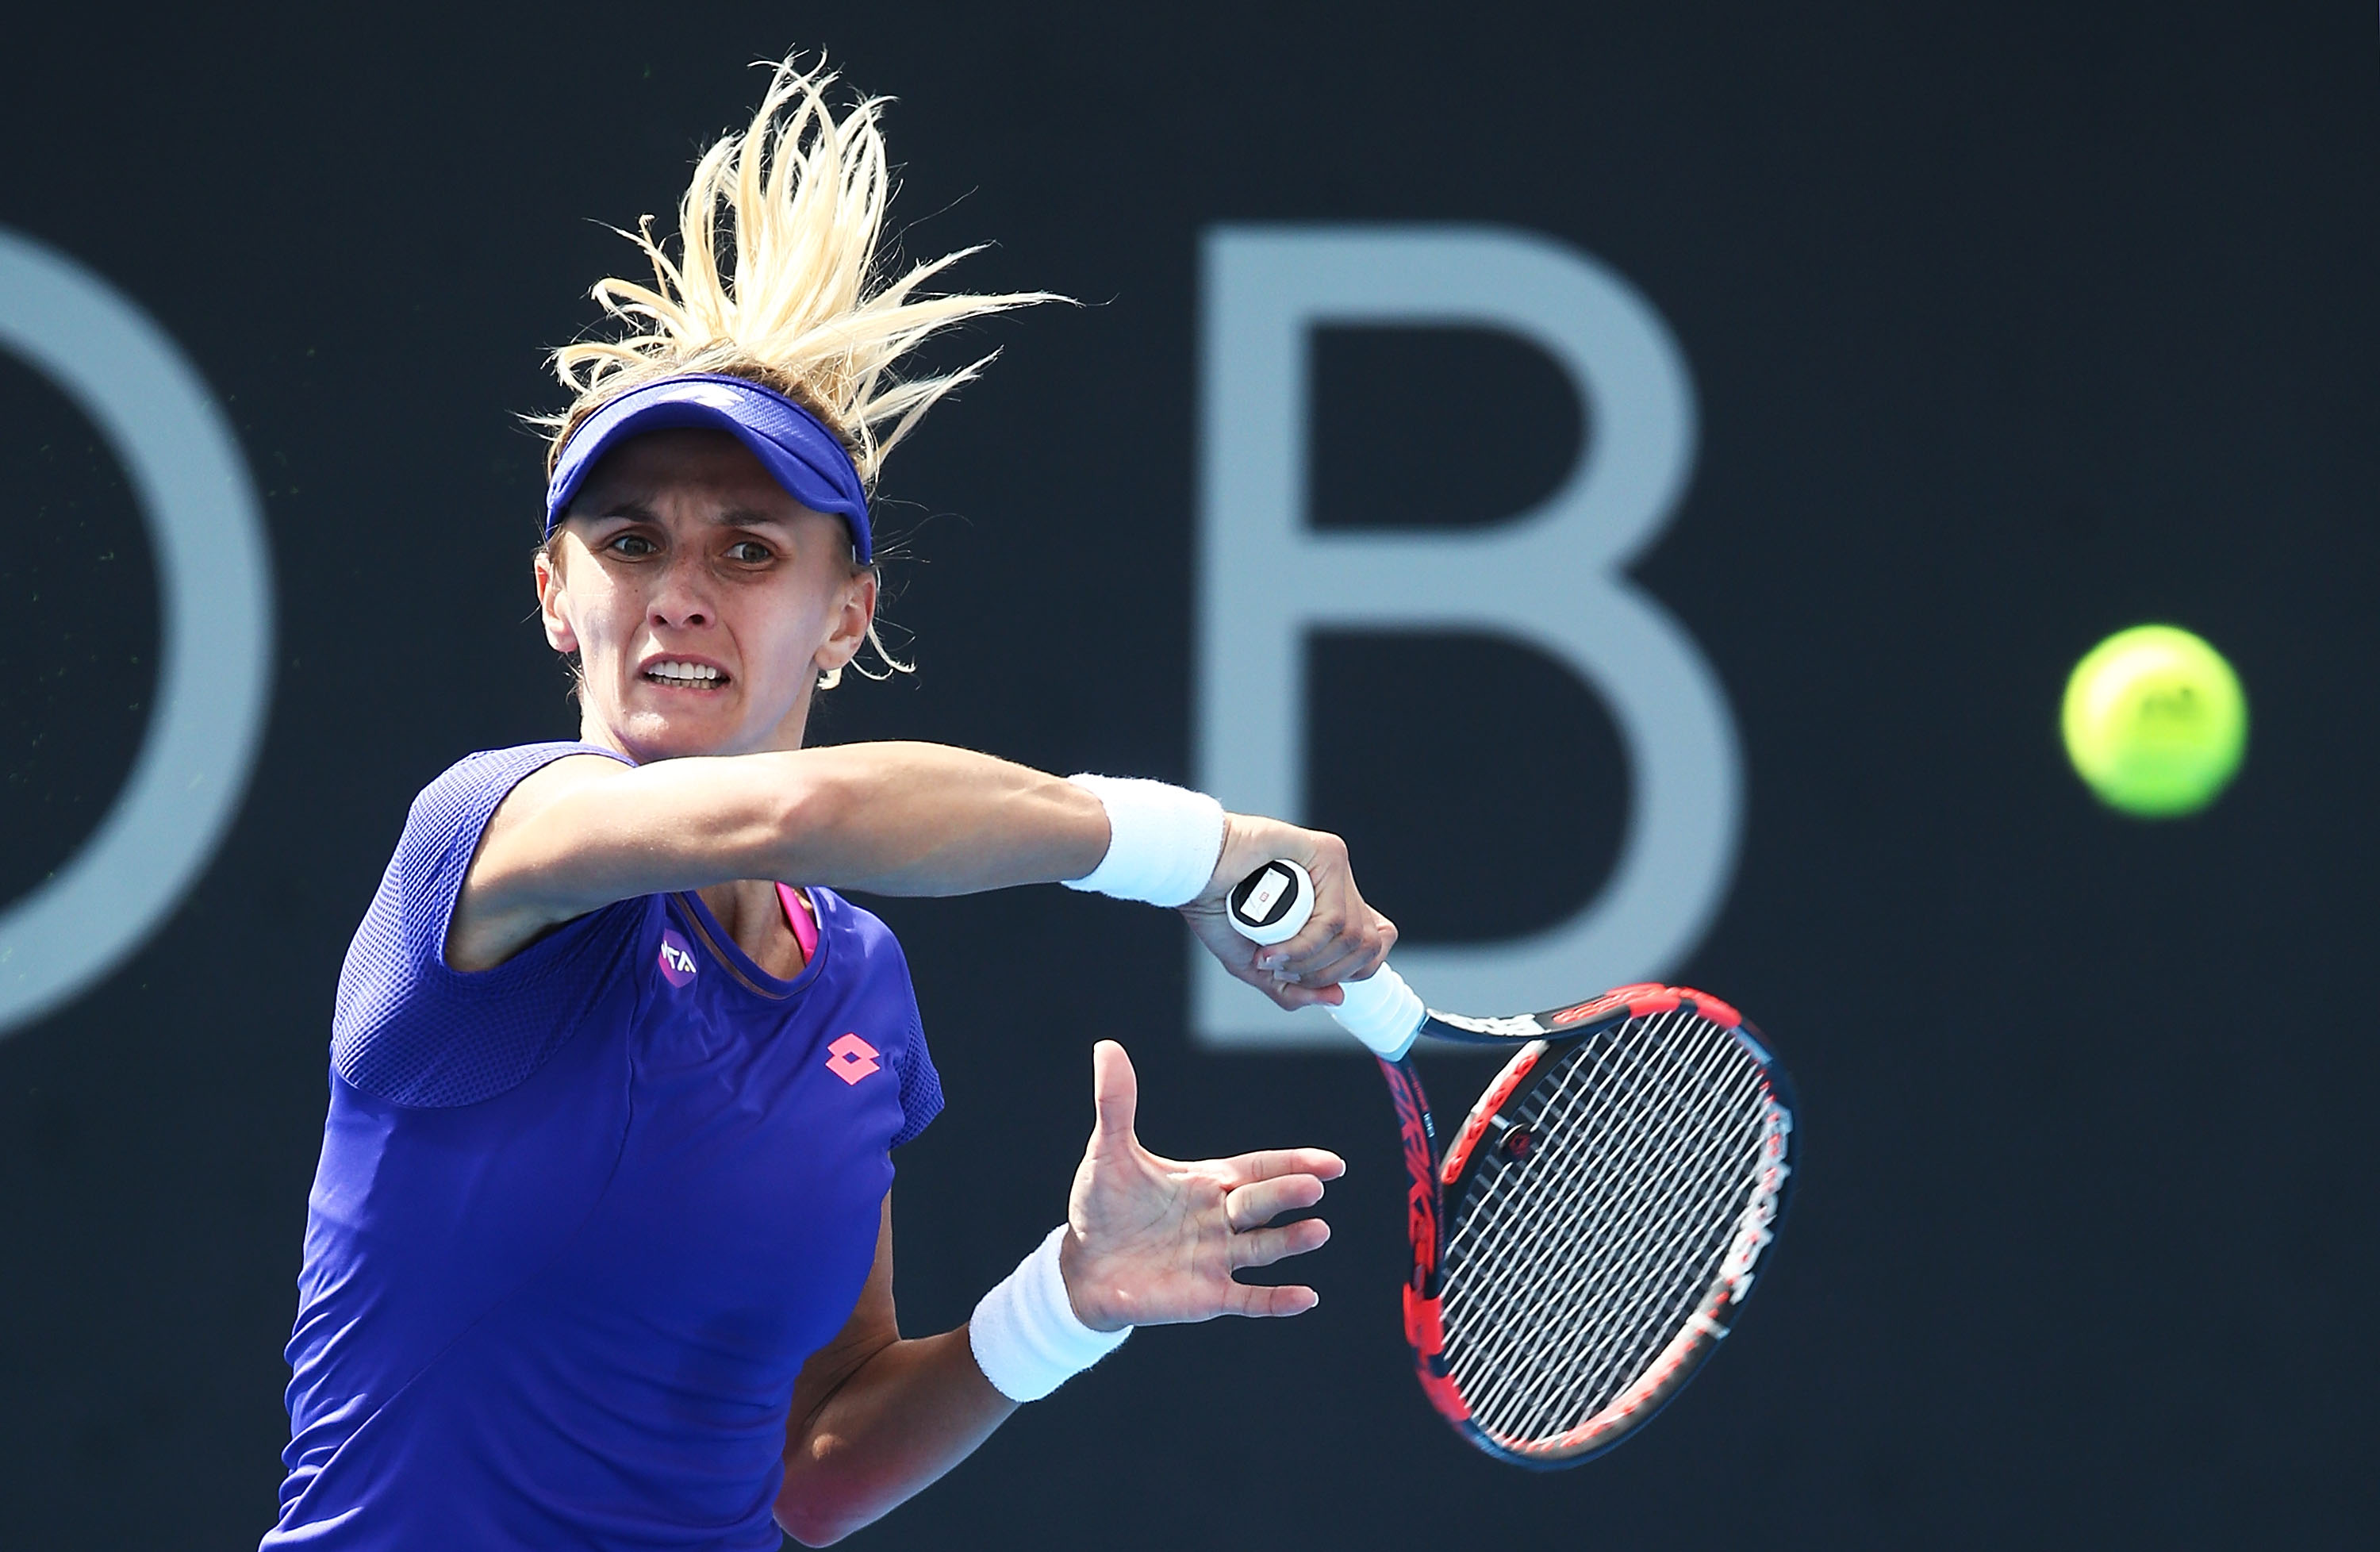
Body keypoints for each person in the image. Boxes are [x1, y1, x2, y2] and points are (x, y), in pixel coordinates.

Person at [262, 56, 1395, 1551]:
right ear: (555, 597)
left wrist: (1065, 1300)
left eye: (747, 552)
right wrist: (1192, 847)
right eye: (625, 543)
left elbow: (809, 1463)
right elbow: (785, 815)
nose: (677, 596)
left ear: (846, 612)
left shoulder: (855, 985)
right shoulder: (492, 835)